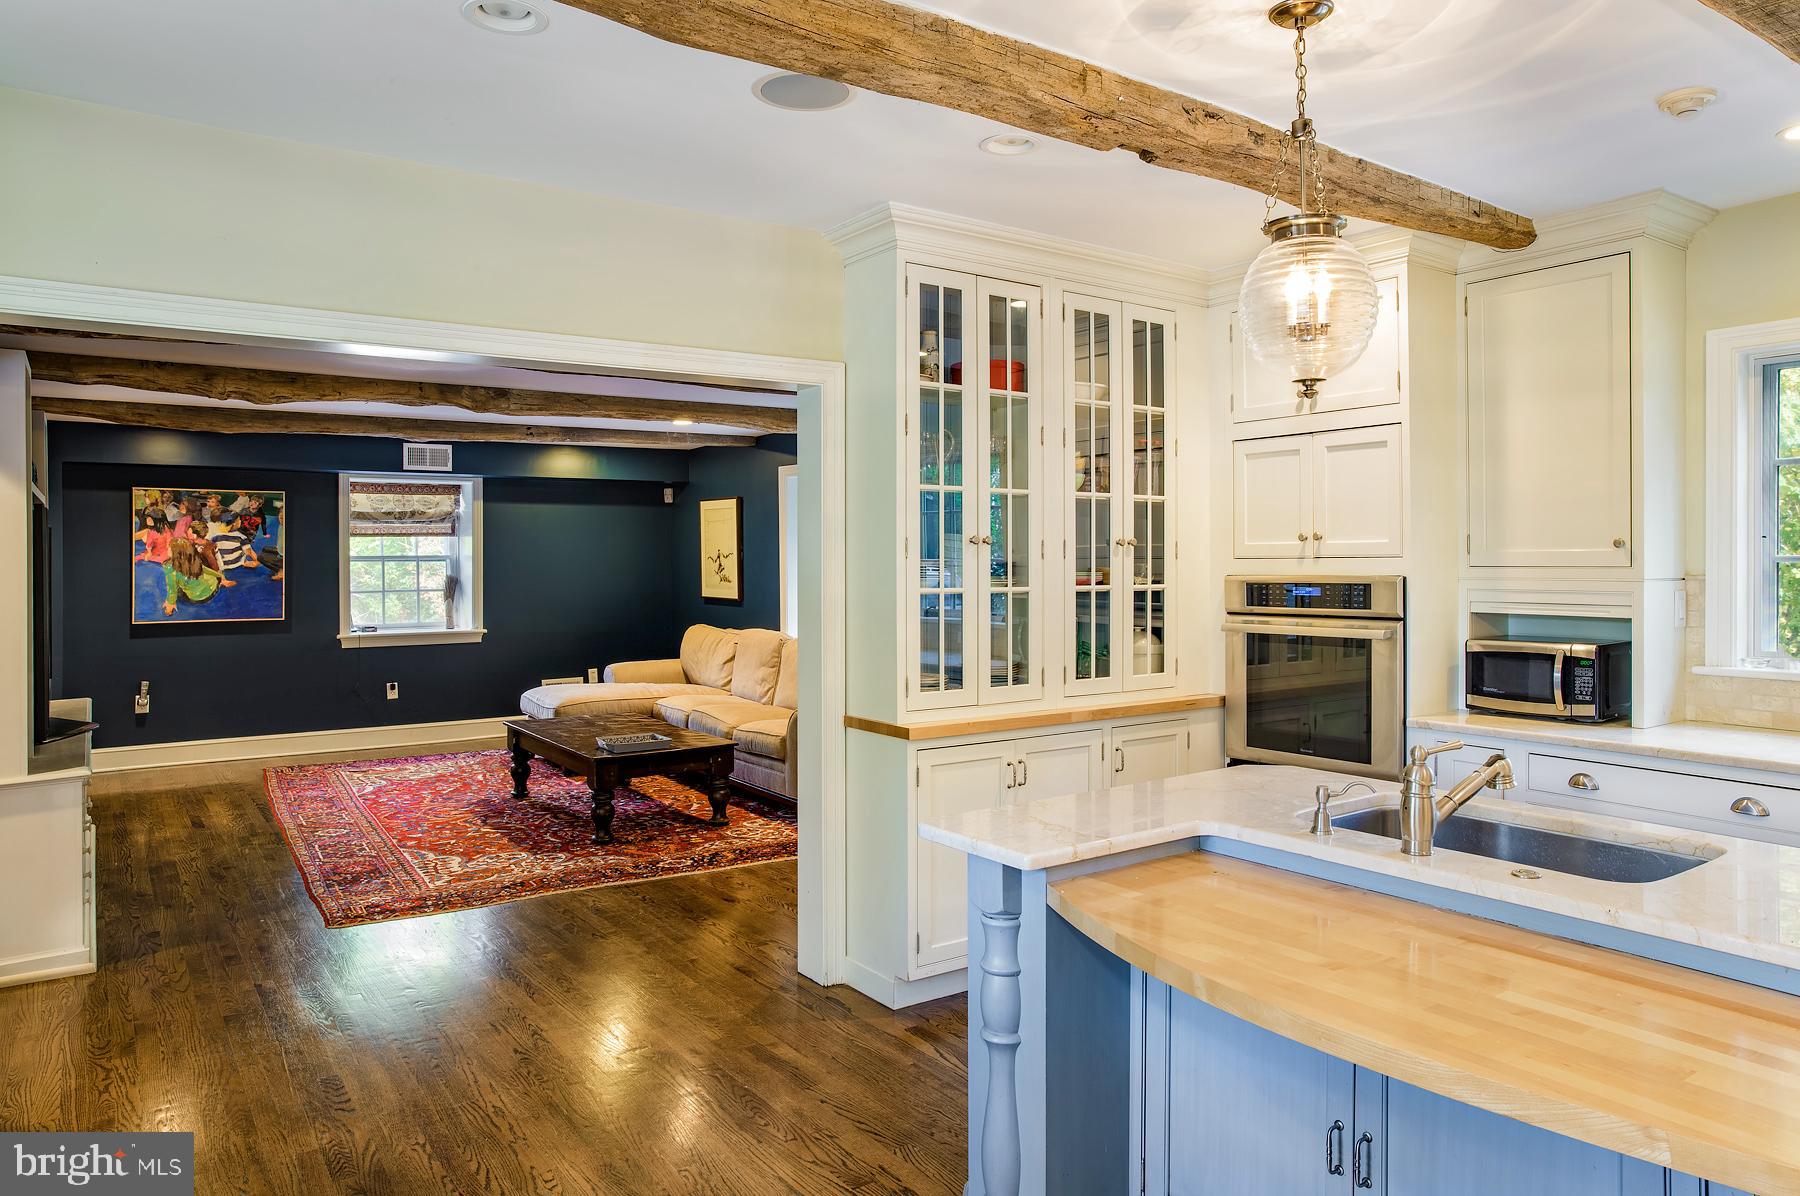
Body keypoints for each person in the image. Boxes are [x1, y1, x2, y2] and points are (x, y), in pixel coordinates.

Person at [161, 536, 231, 615]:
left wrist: (170, 603)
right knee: (201, 576)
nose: (167, 549)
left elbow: (172, 589)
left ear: (176, 553)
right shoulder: (194, 559)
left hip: (197, 598)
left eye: (169, 548)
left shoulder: (170, 568)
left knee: (178, 589)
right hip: (214, 588)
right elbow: (206, 570)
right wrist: (220, 577)